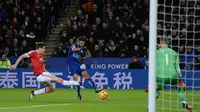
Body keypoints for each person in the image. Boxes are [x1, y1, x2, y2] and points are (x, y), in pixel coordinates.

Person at [10, 42, 80, 101]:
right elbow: (22, 56)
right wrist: (15, 65)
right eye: (44, 48)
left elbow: (42, 64)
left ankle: (34, 93)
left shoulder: (41, 55)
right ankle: (77, 82)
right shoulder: (33, 52)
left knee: (51, 89)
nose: (45, 50)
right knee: (58, 80)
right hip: (41, 75)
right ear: (39, 48)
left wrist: (43, 61)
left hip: (44, 73)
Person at [145, 36, 193, 111]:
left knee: (156, 90)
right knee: (179, 88)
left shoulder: (156, 52)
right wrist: (181, 81)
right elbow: (178, 68)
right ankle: (184, 102)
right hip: (173, 75)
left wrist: (152, 82)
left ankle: (150, 106)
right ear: (168, 43)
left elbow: (154, 68)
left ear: (160, 42)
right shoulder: (174, 53)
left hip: (161, 76)